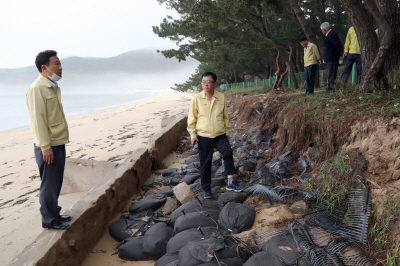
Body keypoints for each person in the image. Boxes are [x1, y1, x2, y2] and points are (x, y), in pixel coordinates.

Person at [26, 50, 71, 230]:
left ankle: (55, 213)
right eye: (56, 64)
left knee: (56, 181)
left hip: (57, 141)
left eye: (60, 64)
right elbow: (38, 120)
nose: (60, 68)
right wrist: (45, 147)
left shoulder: (51, 87)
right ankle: (49, 220)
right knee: (49, 183)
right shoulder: (37, 89)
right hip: (48, 145)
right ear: (44, 67)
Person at [187, 72, 243, 199]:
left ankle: (231, 182)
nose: (205, 84)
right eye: (203, 82)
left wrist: (227, 132)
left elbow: (225, 116)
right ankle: (207, 190)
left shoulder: (221, 97)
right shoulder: (196, 99)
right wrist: (192, 134)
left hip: (219, 134)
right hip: (204, 136)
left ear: (214, 83)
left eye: (208, 82)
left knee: (228, 152)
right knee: (205, 164)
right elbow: (192, 117)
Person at [320, 22, 343, 92]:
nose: (321, 31)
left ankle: (331, 87)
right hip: (330, 57)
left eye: (322, 30)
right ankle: (330, 86)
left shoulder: (332, 34)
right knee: (330, 72)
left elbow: (337, 44)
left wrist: (340, 51)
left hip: (332, 56)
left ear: (324, 29)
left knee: (332, 72)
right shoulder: (329, 35)